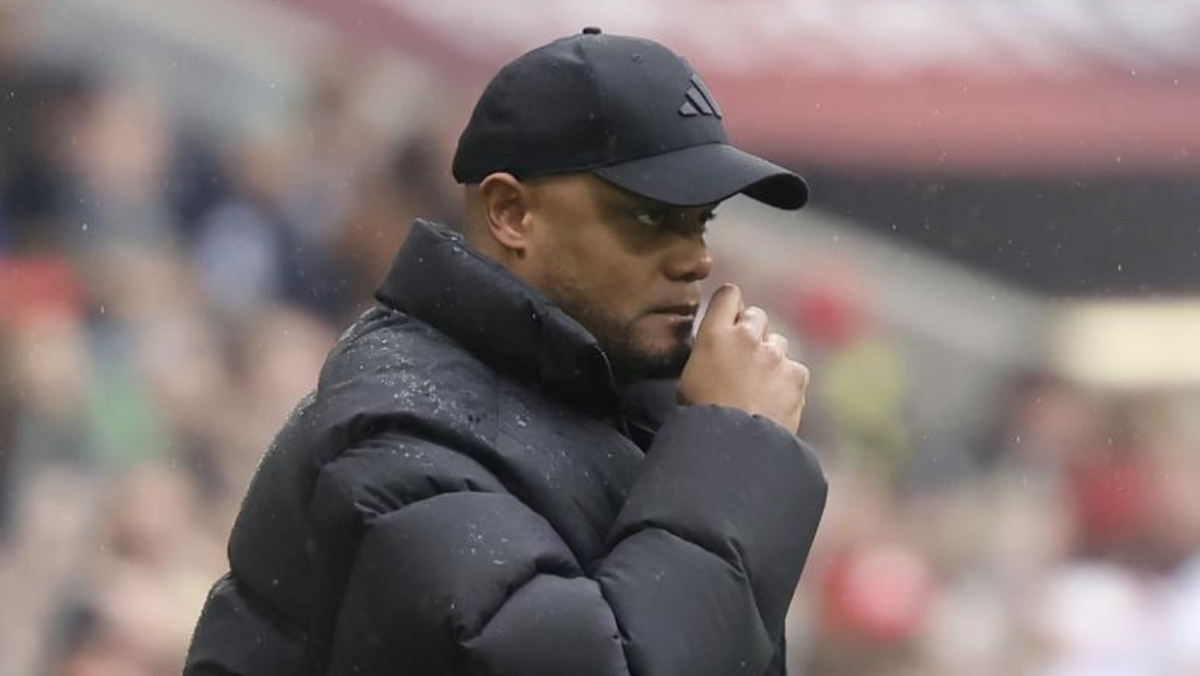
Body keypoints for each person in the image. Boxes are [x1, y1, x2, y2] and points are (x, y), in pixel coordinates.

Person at [184, 28, 827, 676]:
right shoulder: (397, 429)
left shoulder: (613, 403)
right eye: (650, 217)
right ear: (511, 213)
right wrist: (728, 449)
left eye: (700, 220)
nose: (697, 260)